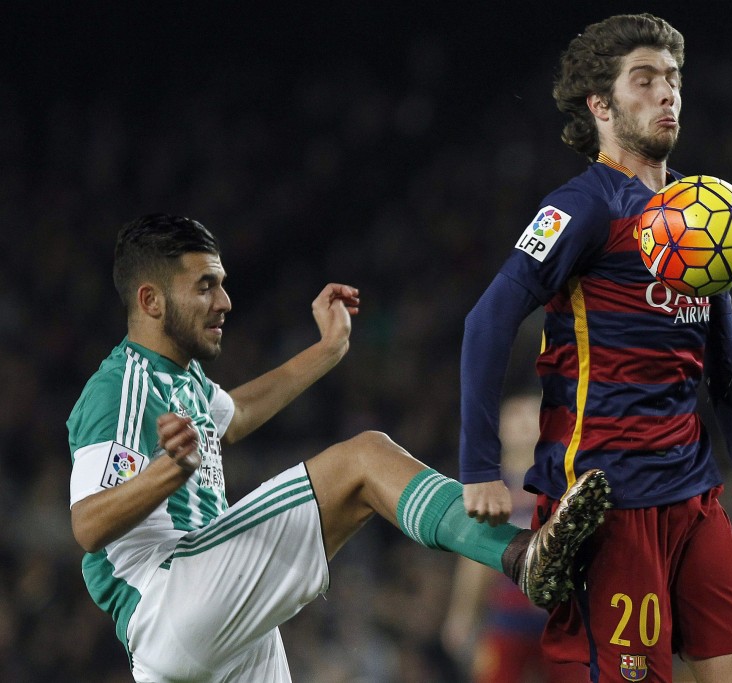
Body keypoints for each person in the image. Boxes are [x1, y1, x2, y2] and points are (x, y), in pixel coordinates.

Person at [66, 213, 611, 682]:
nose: (225, 301)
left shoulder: (180, 378)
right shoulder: (120, 388)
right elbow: (88, 525)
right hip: (171, 595)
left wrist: (327, 349)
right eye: (205, 286)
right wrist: (167, 473)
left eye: (222, 283)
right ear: (150, 300)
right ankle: (520, 555)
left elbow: (234, 415)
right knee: (364, 460)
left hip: (202, 628)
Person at [458, 14, 732, 683]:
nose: (666, 93)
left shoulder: (700, 211)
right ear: (601, 104)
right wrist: (479, 467)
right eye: (644, 80)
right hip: (604, 504)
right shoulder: (582, 207)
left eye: (672, 78)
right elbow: (487, 320)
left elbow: (727, 367)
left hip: (693, 496)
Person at [443, 394, 588, 683]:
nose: (523, 420)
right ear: (501, 428)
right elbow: (474, 560)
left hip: (562, 619)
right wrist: (462, 612)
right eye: (516, 413)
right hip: (506, 618)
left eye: (531, 413)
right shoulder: (487, 489)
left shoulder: (568, 484)